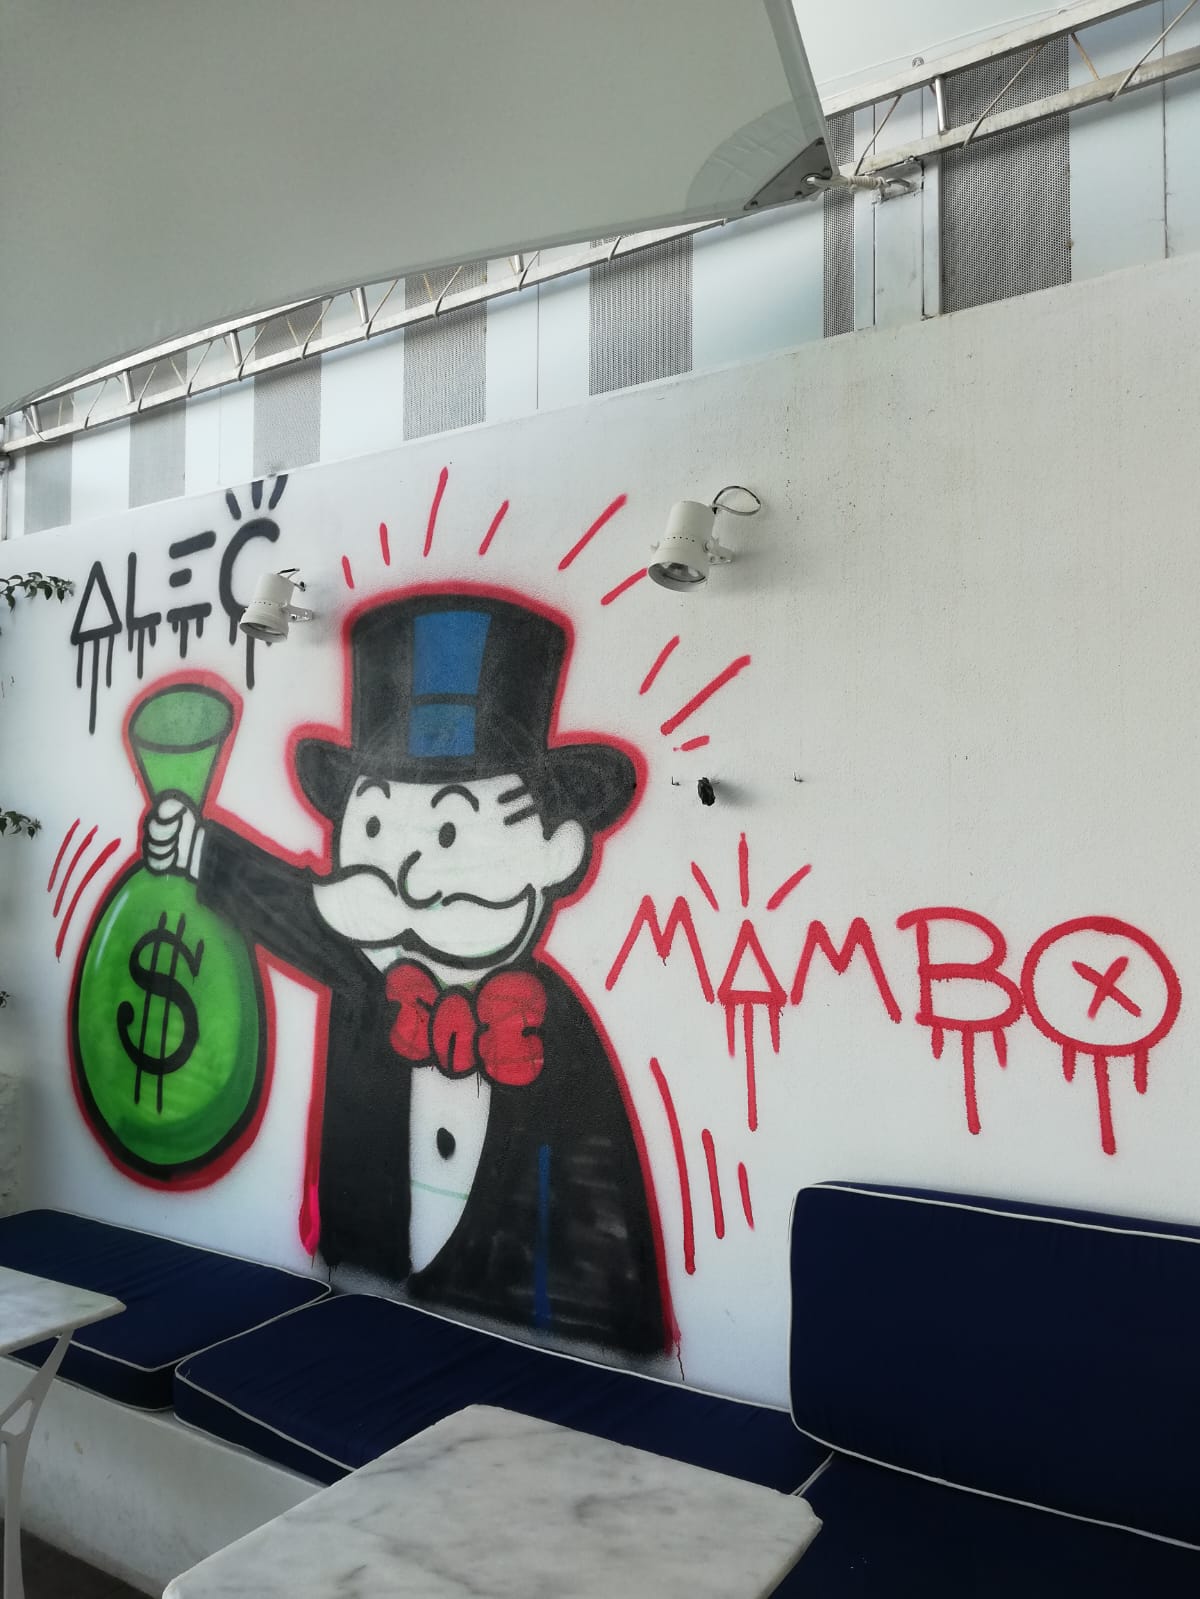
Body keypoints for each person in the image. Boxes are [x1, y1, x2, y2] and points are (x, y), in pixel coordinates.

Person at [144, 591, 667, 1355]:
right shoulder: (371, 978)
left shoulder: (554, 1034)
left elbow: (605, 1260)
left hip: (528, 1351)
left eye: (452, 829)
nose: (411, 880)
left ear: (557, 848)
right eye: (378, 825)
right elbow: (292, 908)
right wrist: (198, 847)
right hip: (364, 1313)